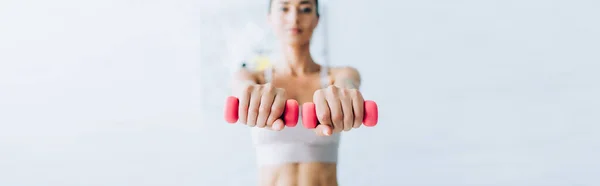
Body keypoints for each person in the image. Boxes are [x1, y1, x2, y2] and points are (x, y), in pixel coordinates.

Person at [231, 0, 365, 185]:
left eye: (305, 9)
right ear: (270, 18)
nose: (294, 18)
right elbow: (241, 86)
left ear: (317, 19)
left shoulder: (338, 76)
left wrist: (346, 92)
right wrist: (247, 92)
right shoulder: (254, 78)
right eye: (284, 8)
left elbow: (349, 82)